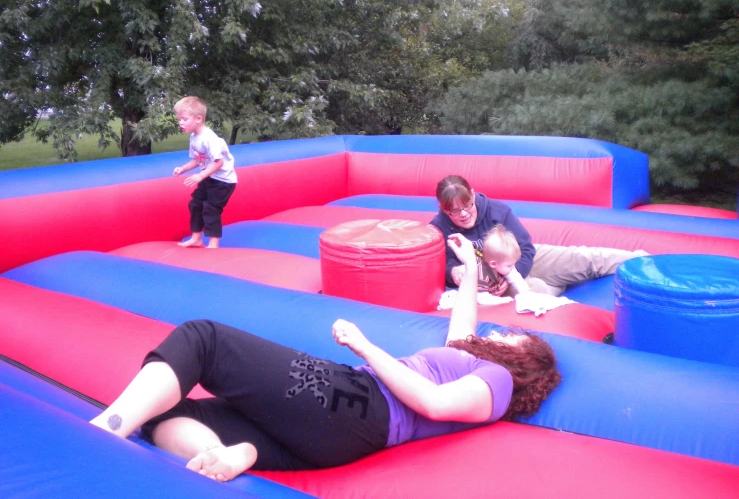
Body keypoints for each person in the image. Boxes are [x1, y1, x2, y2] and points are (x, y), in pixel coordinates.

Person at [90, 234, 561, 481]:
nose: (506, 332)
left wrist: (366, 348)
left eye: (518, 337)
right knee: (160, 415)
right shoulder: (471, 355)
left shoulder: (498, 381)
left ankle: (101, 434)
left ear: (526, 361)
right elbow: (465, 320)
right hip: (332, 437)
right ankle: (227, 454)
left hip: (356, 404)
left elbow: (435, 404)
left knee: (203, 339)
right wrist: (472, 267)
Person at [430, 175, 649, 296]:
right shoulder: (439, 228)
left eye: (467, 205)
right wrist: (454, 272)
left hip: (521, 261)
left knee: (581, 258)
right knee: (537, 292)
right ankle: (557, 287)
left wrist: (516, 272)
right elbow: (445, 268)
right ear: (443, 208)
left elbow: (526, 249)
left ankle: (642, 260)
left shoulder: (496, 211)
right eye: (454, 211)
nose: (464, 213)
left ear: (473, 195)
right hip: (492, 280)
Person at [172, 96, 238, 249]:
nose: (180, 123)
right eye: (179, 119)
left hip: (223, 181)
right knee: (195, 204)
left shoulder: (209, 139)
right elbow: (197, 160)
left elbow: (219, 162)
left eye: (184, 119)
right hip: (209, 176)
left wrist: (200, 176)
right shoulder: (194, 138)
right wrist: (183, 169)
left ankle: (213, 243)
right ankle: (196, 238)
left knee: (210, 207)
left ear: (198, 118)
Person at [478, 224, 530, 297]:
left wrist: (526, 293)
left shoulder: (502, 266)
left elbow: (518, 281)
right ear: (493, 264)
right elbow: (482, 298)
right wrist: (503, 301)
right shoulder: (482, 275)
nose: (513, 267)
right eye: (509, 265)